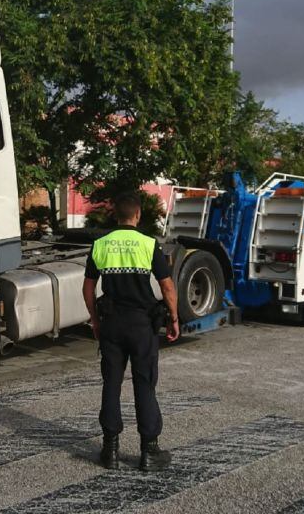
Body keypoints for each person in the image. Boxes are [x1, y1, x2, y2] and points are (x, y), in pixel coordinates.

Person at [82, 192, 180, 472]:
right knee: (144, 383)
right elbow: (167, 286)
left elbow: (88, 287)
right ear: (137, 215)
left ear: (116, 215)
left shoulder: (100, 244)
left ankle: (109, 450)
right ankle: (149, 451)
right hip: (141, 326)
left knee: (111, 383)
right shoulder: (148, 244)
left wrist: (95, 321)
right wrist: (173, 318)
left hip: (112, 324)